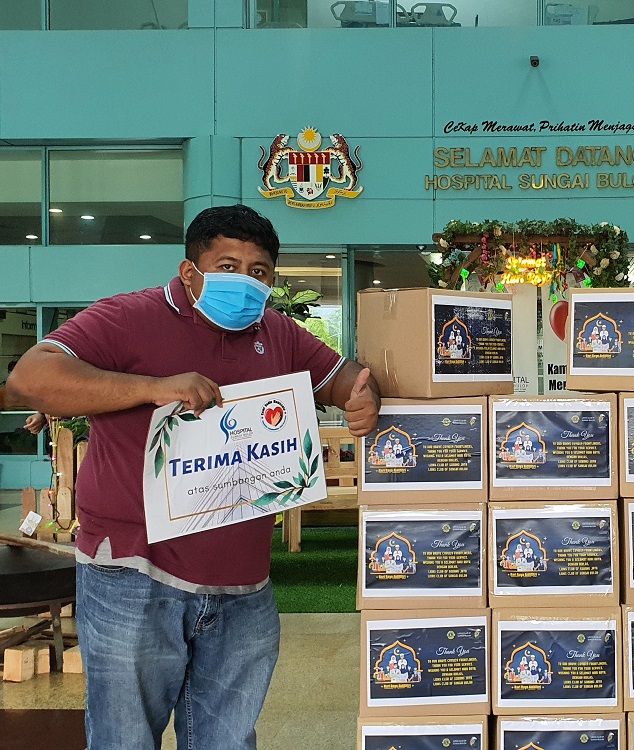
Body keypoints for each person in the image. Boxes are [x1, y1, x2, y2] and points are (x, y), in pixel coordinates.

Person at [6, 204, 380, 750]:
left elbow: (345, 378)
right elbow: (31, 379)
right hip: (135, 573)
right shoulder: (128, 317)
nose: (244, 282)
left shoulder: (277, 333)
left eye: (259, 272)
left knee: (227, 741)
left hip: (242, 584)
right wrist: (152, 387)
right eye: (227, 265)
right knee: (123, 740)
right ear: (190, 272)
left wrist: (362, 396)